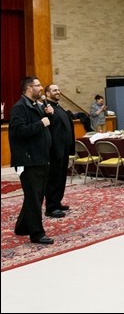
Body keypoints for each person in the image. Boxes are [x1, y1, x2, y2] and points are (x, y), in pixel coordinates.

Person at [9, 76, 54, 244]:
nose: (41, 88)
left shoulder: (37, 106)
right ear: (29, 88)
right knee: (34, 198)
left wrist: (50, 116)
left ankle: (22, 226)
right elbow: (19, 132)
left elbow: (47, 126)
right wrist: (40, 123)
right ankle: (37, 234)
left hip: (41, 157)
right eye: (38, 85)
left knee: (35, 196)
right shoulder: (19, 108)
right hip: (29, 160)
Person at [44, 84, 75, 218]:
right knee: (53, 179)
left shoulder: (58, 107)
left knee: (61, 178)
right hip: (54, 150)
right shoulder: (46, 108)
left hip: (63, 149)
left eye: (58, 90)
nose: (58, 92)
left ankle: (57, 202)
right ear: (47, 94)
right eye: (54, 90)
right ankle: (50, 207)